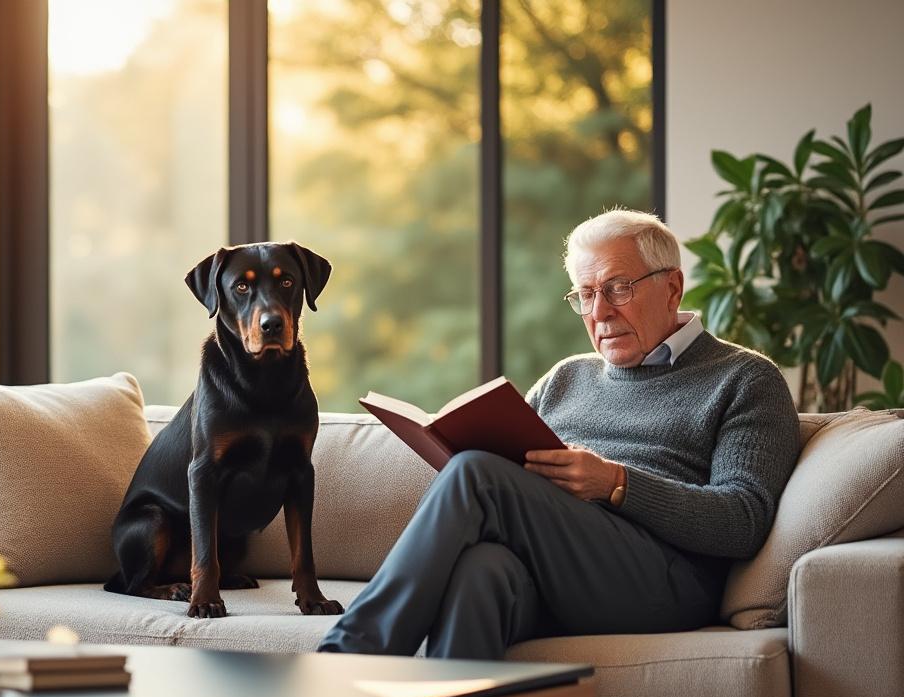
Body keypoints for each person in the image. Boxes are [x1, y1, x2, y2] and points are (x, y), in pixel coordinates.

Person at [317, 208, 800, 660]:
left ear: (672, 287)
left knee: (477, 474)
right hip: (559, 577)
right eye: (585, 295)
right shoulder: (565, 378)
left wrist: (617, 484)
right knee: (481, 572)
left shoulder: (744, 379)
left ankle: (346, 660)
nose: (601, 312)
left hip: (665, 582)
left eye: (619, 288)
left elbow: (743, 520)